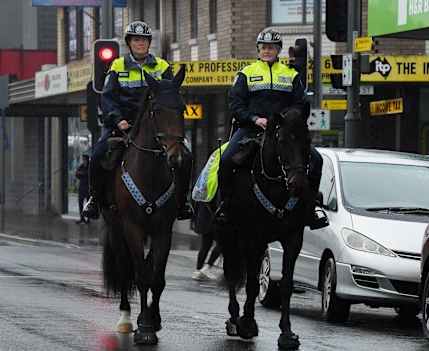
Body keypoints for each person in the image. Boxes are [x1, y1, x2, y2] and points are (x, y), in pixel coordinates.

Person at [83, 20, 194, 221]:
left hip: (156, 126)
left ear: (149, 43)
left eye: (144, 40)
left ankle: (183, 202)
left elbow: (170, 95)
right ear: (129, 43)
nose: (140, 43)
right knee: (97, 155)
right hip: (124, 125)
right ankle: (94, 198)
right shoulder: (117, 66)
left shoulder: (162, 66)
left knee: (186, 155)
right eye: (136, 40)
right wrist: (117, 120)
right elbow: (108, 98)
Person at [216, 28, 325, 228]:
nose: (267, 51)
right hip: (251, 130)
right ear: (258, 49)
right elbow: (235, 104)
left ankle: (312, 208)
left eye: (271, 48)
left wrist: (287, 121)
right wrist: (254, 118)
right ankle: (225, 205)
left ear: (278, 50)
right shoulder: (246, 73)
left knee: (316, 160)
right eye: (264, 47)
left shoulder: (290, 74)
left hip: (283, 132)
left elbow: (300, 104)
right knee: (225, 160)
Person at [191, 202, 221, 280]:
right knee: (222, 244)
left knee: (206, 244)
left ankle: (198, 270)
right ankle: (208, 267)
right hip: (213, 217)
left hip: (203, 214)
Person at [74, 154, 90, 224]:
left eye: (85, 159)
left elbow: (89, 174)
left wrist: (83, 173)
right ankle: (82, 218)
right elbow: (77, 175)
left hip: (88, 188)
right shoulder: (81, 166)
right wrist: (79, 173)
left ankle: (88, 219)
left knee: (88, 204)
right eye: (83, 159)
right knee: (80, 203)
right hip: (82, 188)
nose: (84, 161)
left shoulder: (90, 166)